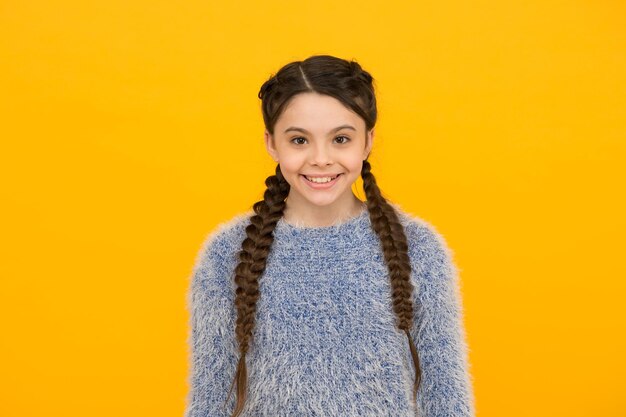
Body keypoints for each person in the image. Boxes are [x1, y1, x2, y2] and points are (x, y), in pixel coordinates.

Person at [184, 54, 475, 417]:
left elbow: (446, 395)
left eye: (340, 139)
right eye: (299, 140)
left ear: (367, 142)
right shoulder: (226, 254)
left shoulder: (418, 248)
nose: (321, 159)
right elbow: (211, 400)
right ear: (271, 143)